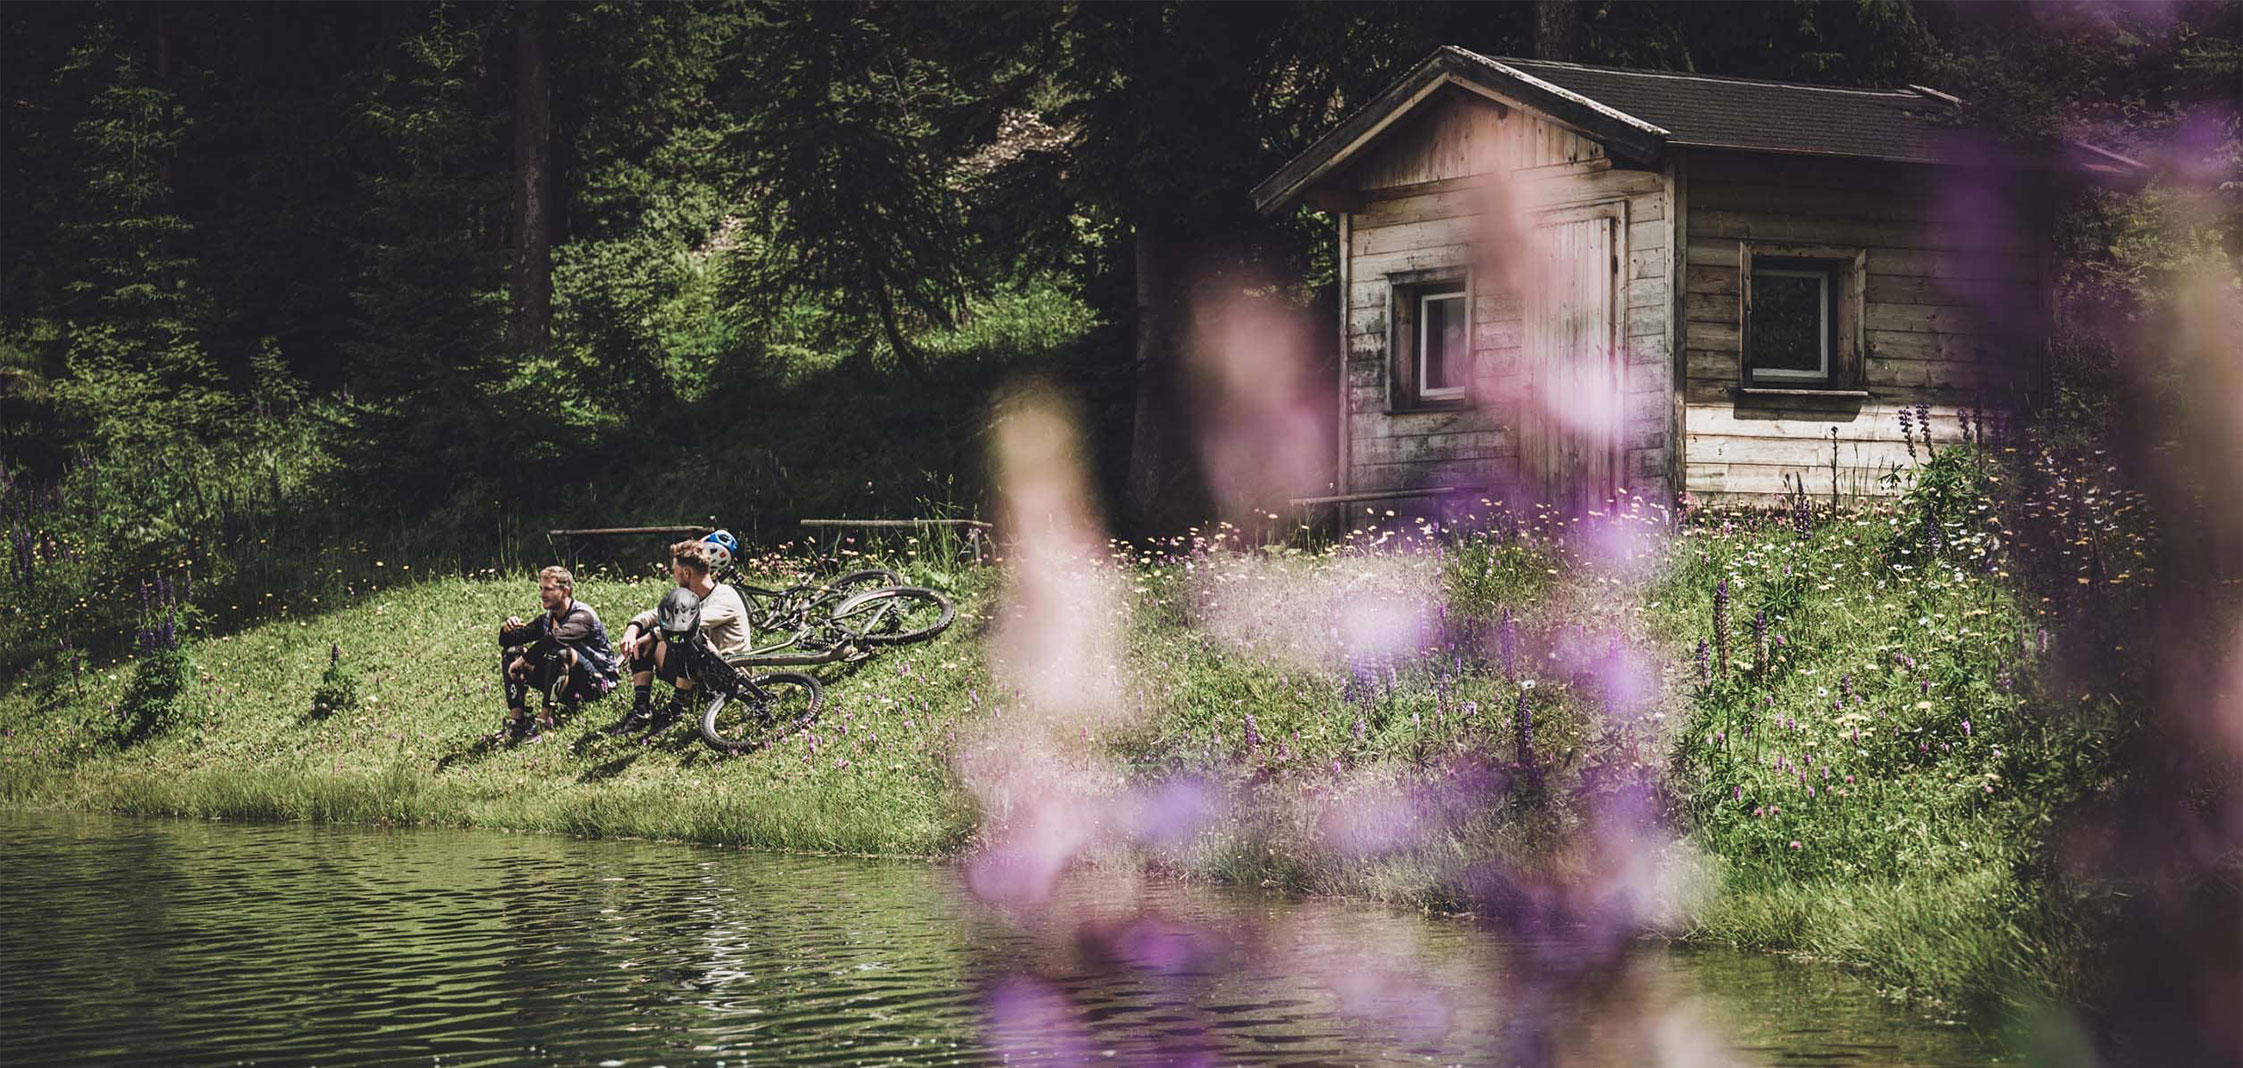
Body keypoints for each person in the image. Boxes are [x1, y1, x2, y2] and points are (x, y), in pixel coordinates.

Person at [608, 539, 753, 735]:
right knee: (644, 632)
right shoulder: (690, 597)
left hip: (726, 676)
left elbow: (687, 626)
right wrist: (633, 629)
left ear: (687, 573)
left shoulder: (726, 597)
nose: (673, 576)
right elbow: (655, 614)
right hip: (700, 670)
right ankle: (641, 710)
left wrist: (652, 636)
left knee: (686, 635)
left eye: (675, 571)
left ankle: (677, 709)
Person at [497, 565, 620, 739]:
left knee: (561, 652)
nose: (542, 594)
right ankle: (517, 723)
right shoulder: (549, 617)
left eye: (548, 589)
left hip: (596, 684)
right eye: (541, 588)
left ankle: (545, 720)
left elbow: (555, 638)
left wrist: (525, 659)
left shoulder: (583, 616)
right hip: (567, 683)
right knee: (511, 652)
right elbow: (510, 641)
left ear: (565, 591)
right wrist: (507, 629)